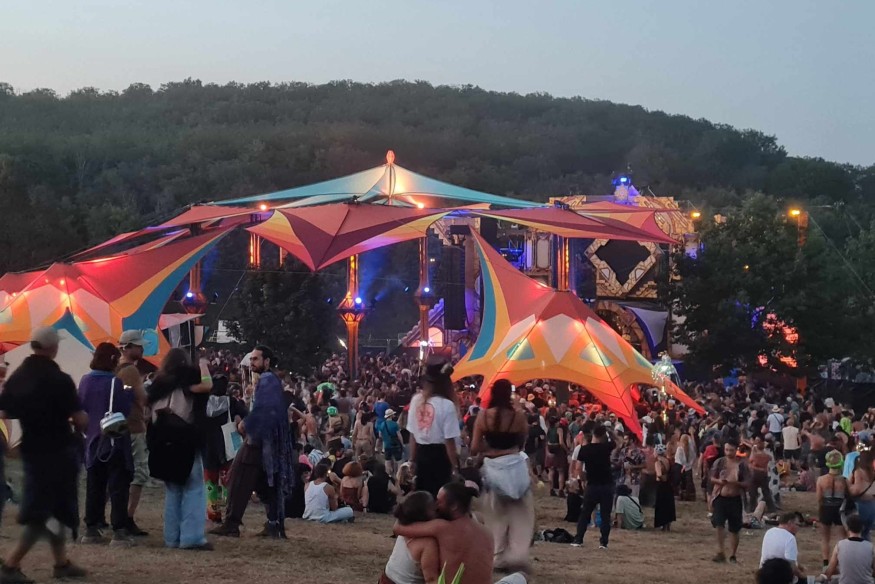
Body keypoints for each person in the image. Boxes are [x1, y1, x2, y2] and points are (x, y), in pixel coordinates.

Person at [0, 327, 88, 582]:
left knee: (56, 510)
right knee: (41, 513)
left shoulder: (19, 377)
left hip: (32, 449)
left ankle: (61, 563)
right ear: (53, 348)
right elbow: (79, 418)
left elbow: (6, 411)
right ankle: (10, 566)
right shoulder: (59, 379)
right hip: (57, 451)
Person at [211, 346, 296, 538]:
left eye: (256, 359)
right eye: (251, 359)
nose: (252, 362)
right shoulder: (271, 381)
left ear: (267, 361)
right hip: (268, 442)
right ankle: (274, 524)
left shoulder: (267, 380)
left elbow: (265, 410)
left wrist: (247, 426)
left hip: (258, 440)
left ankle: (232, 523)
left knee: (238, 478)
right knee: (266, 483)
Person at [394, 482, 526, 584]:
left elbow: (398, 528)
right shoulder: (487, 533)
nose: (436, 505)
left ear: (454, 506)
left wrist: (404, 510)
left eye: (439, 502)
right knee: (520, 577)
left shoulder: (442, 527)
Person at [147, 348, 213, 550]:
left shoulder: (158, 385)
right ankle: (191, 537)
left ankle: (171, 537)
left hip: (162, 441)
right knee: (193, 489)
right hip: (184, 439)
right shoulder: (186, 381)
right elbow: (207, 385)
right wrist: (203, 364)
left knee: (173, 490)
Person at [470, 379, 532, 574]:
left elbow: (474, 447)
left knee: (494, 516)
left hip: (492, 468)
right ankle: (516, 555)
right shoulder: (519, 417)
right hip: (515, 467)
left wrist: (490, 451)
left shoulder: (484, 416)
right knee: (521, 516)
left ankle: (496, 555)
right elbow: (522, 445)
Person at [77, 343, 136, 546]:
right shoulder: (115, 382)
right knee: (118, 485)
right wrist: (129, 393)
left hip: (91, 440)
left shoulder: (85, 381)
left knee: (95, 485)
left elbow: (81, 407)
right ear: (112, 359)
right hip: (114, 440)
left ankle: (91, 528)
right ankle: (119, 530)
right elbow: (124, 410)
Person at [406, 360, 461, 497]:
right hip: (440, 456)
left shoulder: (416, 400)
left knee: (423, 496)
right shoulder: (447, 405)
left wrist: (411, 459)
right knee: (440, 496)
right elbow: (449, 441)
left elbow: (412, 434)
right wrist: (455, 466)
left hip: (421, 453)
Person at [116, 330, 151, 537]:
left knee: (117, 473)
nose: (142, 349)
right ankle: (127, 517)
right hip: (134, 427)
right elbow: (142, 398)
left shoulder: (114, 368)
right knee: (139, 472)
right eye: (138, 346)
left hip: (118, 427)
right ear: (128, 347)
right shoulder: (130, 371)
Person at [202, 374, 248, 523]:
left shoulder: (203, 402)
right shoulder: (232, 402)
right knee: (229, 480)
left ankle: (213, 512)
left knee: (210, 481)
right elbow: (246, 414)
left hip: (208, 446)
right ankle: (230, 511)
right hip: (227, 446)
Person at [380, 491, 441, 584]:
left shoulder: (405, 528)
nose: (437, 508)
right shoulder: (427, 542)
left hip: (386, 578)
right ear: (424, 514)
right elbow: (431, 579)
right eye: (433, 508)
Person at [571, 425, 614, 549]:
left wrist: (583, 480)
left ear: (593, 434)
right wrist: (610, 432)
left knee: (585, 513)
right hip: (606, 485)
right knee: (606, 515)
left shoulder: (584, 449)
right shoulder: (606, 448)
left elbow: (578, 468)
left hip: (592, 484)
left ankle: (578, 539)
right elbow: (619, 442)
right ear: (603, 436)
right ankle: (603, 542)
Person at [711, 440, 751, 563]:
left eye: (731, 450)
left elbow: (747, 483)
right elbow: (712, 477)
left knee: (734, 528)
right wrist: (720, 482)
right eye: (727, 450)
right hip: (720, 497)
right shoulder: (720, 462)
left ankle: (733, 554)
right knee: (719, 524)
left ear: (736, 450)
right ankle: (720, 551)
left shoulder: (742, 465)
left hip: (735, 498)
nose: (728, 453)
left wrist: (735, 483)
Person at [816, 450, 849, 568]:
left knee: (825, 538)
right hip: (840, 509)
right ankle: (839, 562)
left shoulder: (821, 479)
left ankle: (825, 563)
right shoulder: (845, 480)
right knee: (841, 538)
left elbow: (819, 498)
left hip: (825, 508)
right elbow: (847, 496)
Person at [823, 513, 875, 584]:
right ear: (862, 528)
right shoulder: (870, 547)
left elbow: (830, 571)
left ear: (847, 528)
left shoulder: (840, 545)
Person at [759, 512, 806, 582]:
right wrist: (804, 577)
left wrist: (798, 565)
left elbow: (776, 554)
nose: (798, 528)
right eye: (797, 525)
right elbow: (791, 566)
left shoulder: (769, 532)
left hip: (763, 574)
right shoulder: (790, 538)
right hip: (780, 577)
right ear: (790, 523)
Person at [851, 449, 875, 541]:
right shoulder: (872, 473)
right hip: (872, 504)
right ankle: (867, 551)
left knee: (858, 531)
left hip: (861, 503)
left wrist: (848, 486)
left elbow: (856, 489)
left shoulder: (859, 472)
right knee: (866, 532)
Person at [544, 414, 568, 498]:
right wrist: (566, 450)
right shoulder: (559, 429)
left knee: (551, 471)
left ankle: (551, 489)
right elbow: (561, 442)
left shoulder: (549, 429)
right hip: (558, 450)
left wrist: (547, 452)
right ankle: (561, 490)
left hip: (550, 449)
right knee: (561, 471)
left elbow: (546, 441)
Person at [654, 444, 676, 532]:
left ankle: (662, 525)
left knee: (661, 505)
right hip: (668, 485)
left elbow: (659, 474)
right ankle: (668, 525)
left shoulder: (658, 462)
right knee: (668, 505)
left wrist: (662, 478)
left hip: (661, 485)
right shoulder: (668, 461)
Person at [381, 408, 404, 477]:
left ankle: (388, 475)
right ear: (391, 415)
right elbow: (399, 436)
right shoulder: (395, 424)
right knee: (398, 460)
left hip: (386, 445)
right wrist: (402, 444)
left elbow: (380, 435)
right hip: (395, 445)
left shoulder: (382, 424)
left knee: (387, 461)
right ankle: (398, 475)